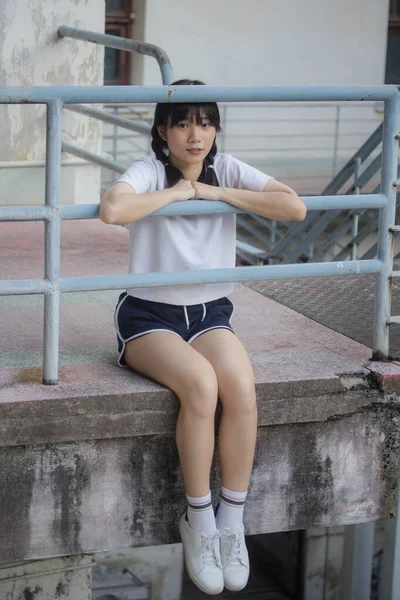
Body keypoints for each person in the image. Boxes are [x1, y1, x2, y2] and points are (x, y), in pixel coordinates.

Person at [100, 79, 306, 595]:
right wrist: (175, 194)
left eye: (206, 122)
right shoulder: (149, 170)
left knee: (240, 384)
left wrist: (214, 192)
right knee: (200, 385)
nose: (196, 134)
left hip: (210, 313)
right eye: (184, 122)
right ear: (163, 130)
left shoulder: (226, 167)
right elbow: (112, 210)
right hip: (149, 315)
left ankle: (231, 519)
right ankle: (199, 520)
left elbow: (293, 207)